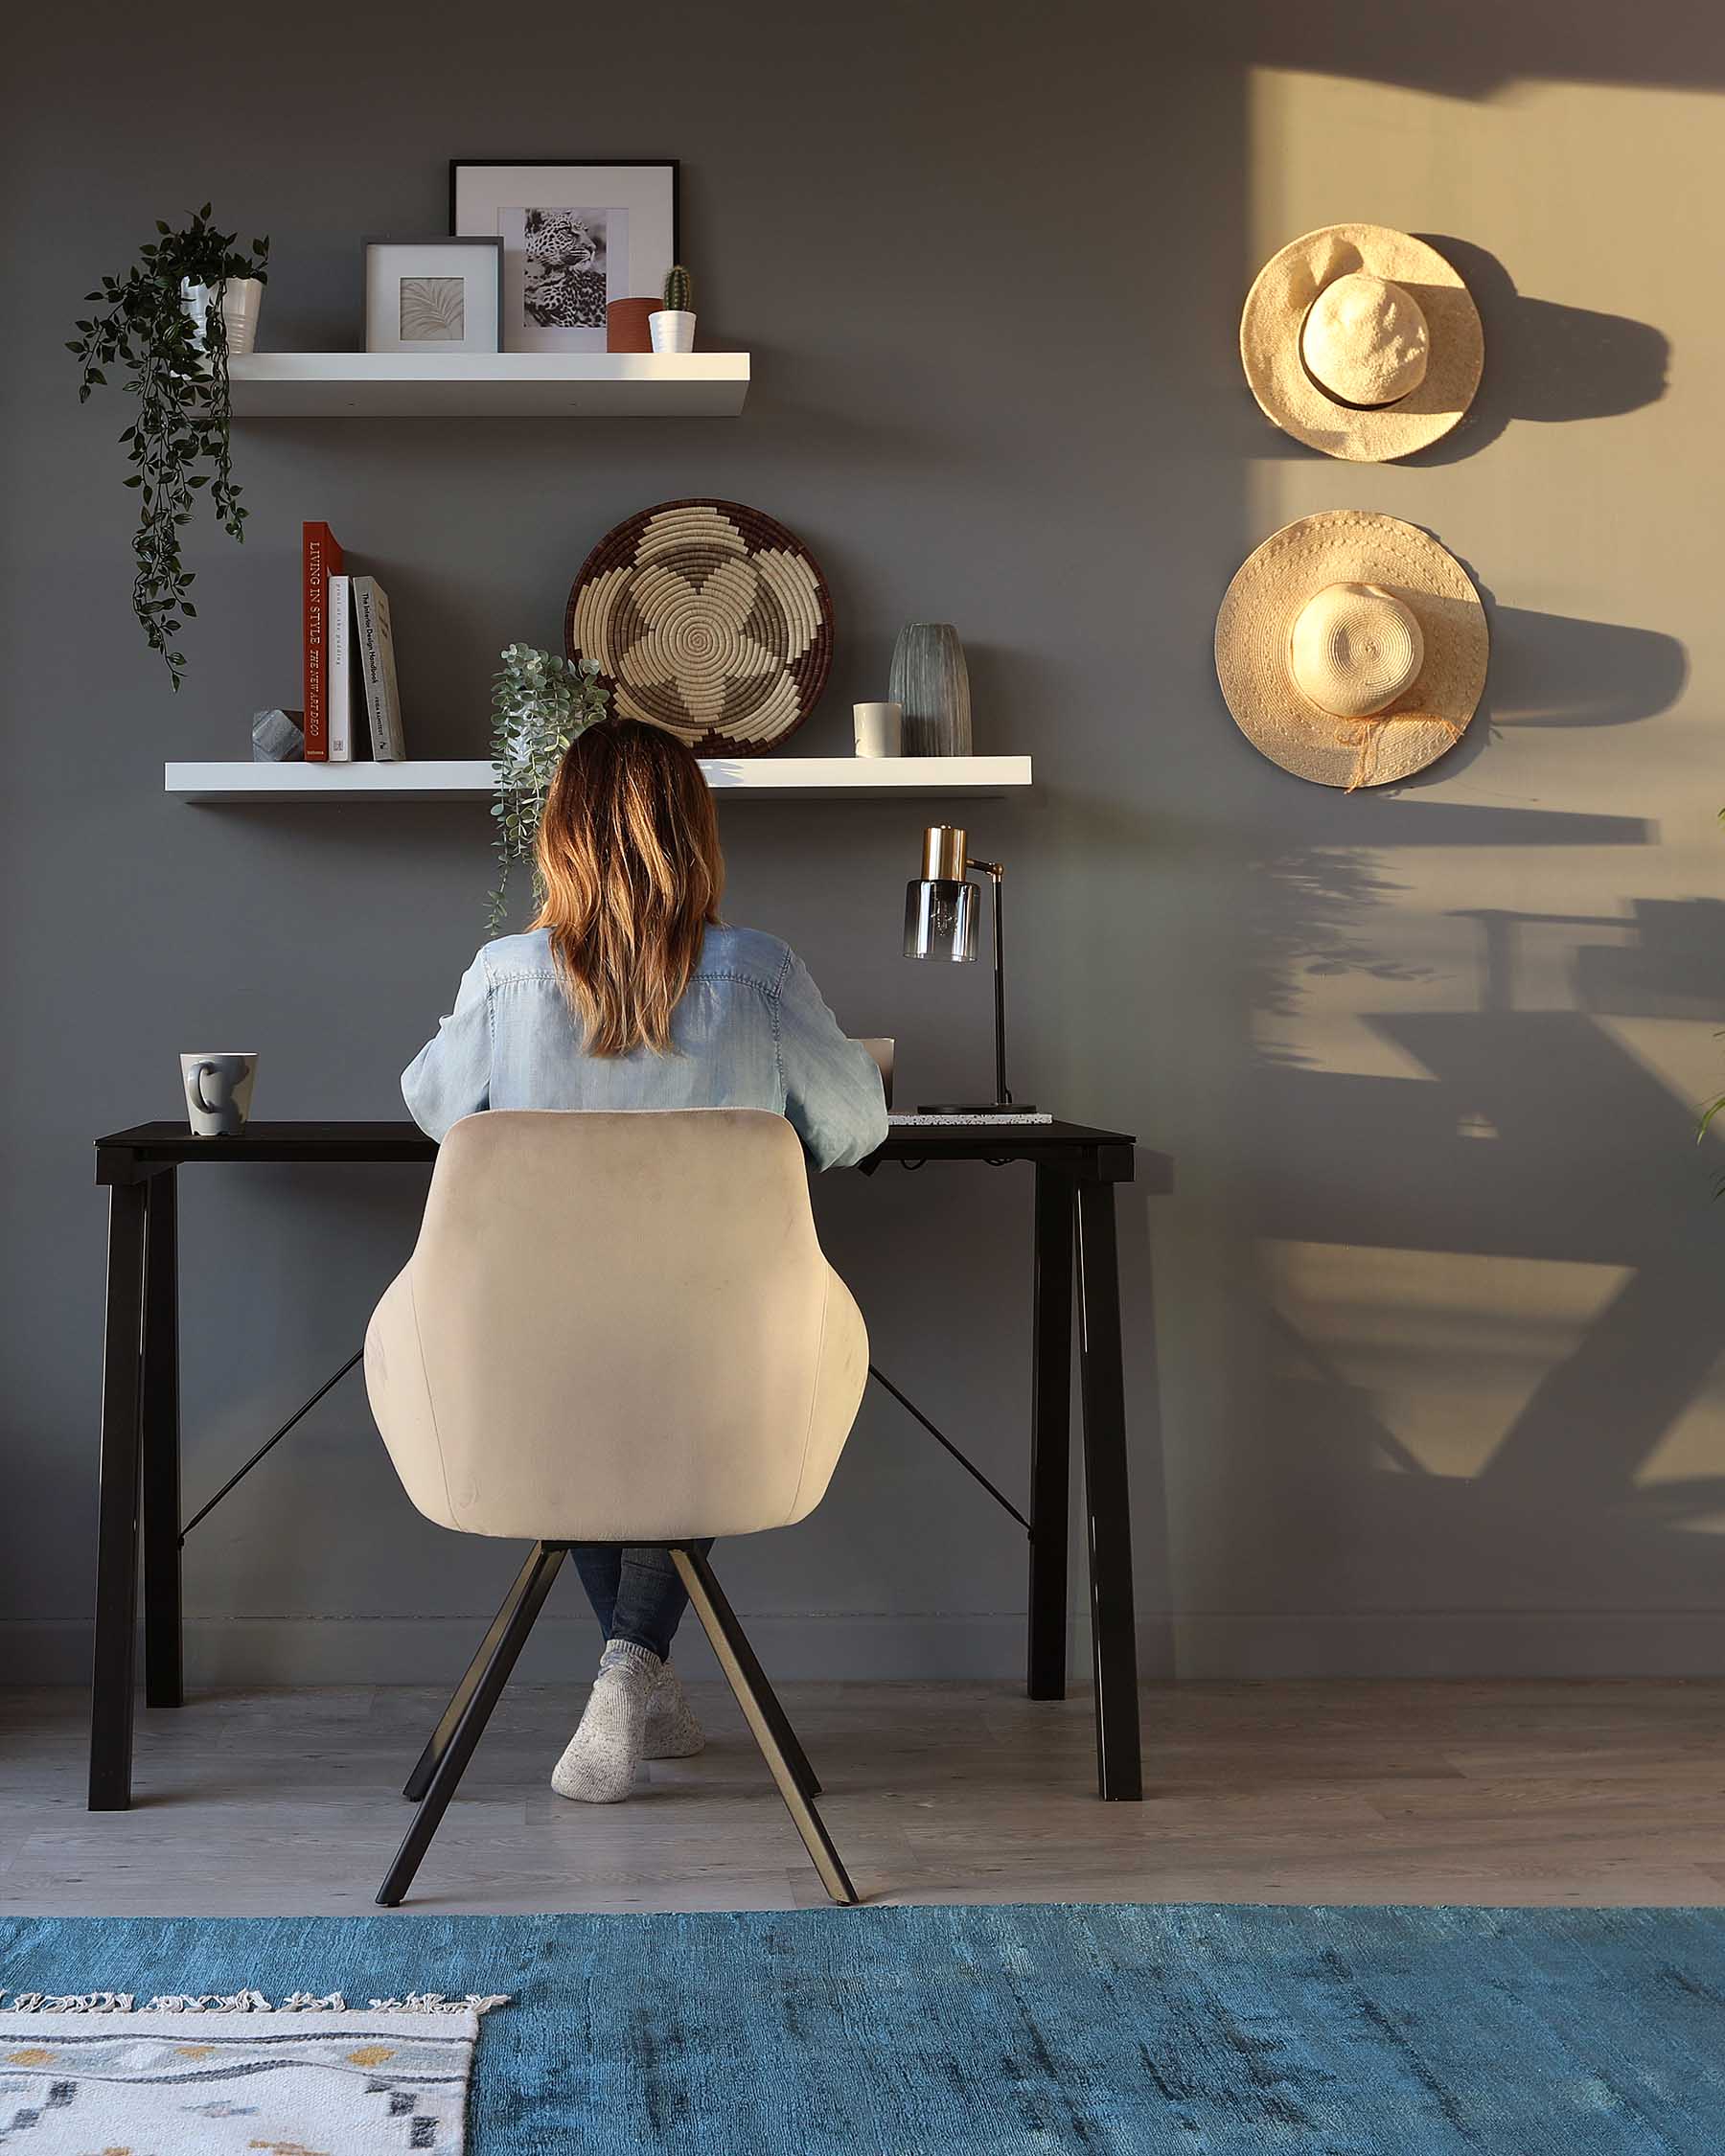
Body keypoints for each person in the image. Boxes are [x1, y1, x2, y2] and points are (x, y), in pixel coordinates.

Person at [401, 718, 887, 1802]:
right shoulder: (758, 973)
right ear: (696, 835)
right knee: (699, 1371)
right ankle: (633, 1672)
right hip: (723, 1351)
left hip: (528, 1353)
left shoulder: (504, 975)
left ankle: (632, 1675)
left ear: (559, 837)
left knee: (588, 1389)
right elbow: (857, 1126)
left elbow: (434, 1108)